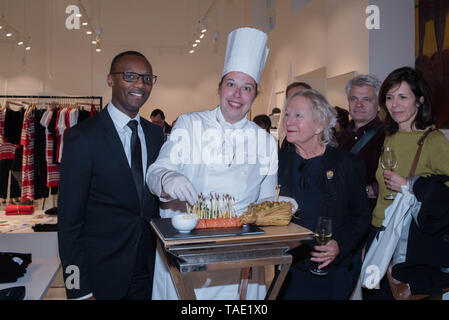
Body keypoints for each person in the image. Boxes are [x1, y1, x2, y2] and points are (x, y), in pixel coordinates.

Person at [147, 27, 278, 300]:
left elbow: (266, 204)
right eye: (231, 84)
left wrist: (280, 208)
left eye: (247, 88)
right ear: (219, 87)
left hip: (239, 263)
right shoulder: (189, 124)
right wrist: (168, 178)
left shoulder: (265, 143)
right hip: (185, 255)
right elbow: (154, 172)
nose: (237, 95)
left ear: (254, 96)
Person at [58, 51, 164, 300]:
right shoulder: (83, 138)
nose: (140, 84)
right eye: (130, 76)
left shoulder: (155, 135)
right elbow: (68, 223)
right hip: (101, 276)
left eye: (147, 78)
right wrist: (78, 290)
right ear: (110, 80)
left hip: (148, 272)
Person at [363, 66, 449, 299]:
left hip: (408, 242)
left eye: (403, 97)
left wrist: (410, 184)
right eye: (389, 97)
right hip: (379, 231)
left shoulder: (433, 140)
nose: (394, 104)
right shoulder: (389, 136)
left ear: (419, 101)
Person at [277, 89, 371, 300]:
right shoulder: (276, 162)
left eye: (298, 116)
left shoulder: (348, 164)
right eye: (288, 114)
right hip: (286, 268)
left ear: (320, 125)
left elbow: (361, 216)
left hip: (331, 271)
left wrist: (340, 244)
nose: (289, 121)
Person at [336, 74, 385, 212]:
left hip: (371, 216)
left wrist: (370, 190)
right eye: (354, 99)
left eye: (366, 99)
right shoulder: (337, 138)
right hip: (339, 215)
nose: (359, 104)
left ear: (379, 106)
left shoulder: (387, 137)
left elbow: (399, 179)